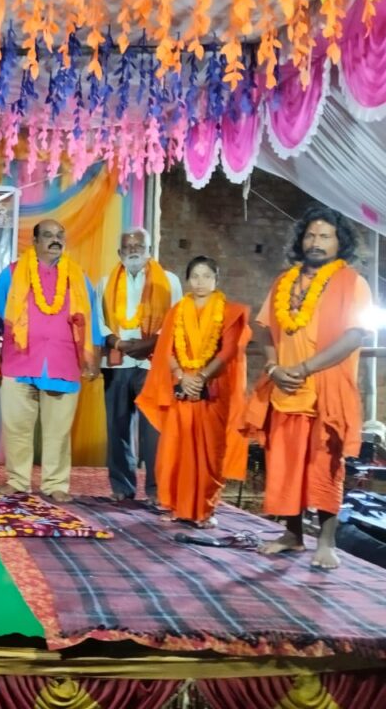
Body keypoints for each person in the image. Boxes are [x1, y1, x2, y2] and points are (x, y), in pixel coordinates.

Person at [244, 207, 372, 569]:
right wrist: (274, 367)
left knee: (325, 465)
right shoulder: (284, 282)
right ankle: (292, 535)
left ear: (340, 242)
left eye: (325, 236)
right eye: (310, 235)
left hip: (325, 389)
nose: (316, 242)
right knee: (286, 464)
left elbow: (354, 337)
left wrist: (303, 368)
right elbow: (263, 328)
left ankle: (326, 543)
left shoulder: (353, 282)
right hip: (285, 387)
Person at [136, 256, 252, 528]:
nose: (201, 282)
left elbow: (228, 351)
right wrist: (181, 376)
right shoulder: (177, 311)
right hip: (182, 388)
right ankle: (176, 505)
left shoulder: (229, 312)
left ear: (216, 280)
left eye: (207, 276)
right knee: (175, 448)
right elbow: (166, 349)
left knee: (209, 451)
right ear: (188, 279)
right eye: (195, 276)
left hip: (212, 390)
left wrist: (200, 377)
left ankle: (203, 510)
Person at [0, 219, 102, 502]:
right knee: (16, 427)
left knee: (58, 431)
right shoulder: (13, 273)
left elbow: (91, 319)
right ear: (35, 242)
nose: (56, 240)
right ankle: (17, 480)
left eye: (60, 235)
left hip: (62, 362)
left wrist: (94, 358)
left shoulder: (78, 277)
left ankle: (56, 483)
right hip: (20, 360)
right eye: (49, 235)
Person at [99, 228, 182, 502]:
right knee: (117, 427)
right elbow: (99, 322)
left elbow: (175, 321)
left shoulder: (168, 281)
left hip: (152, 363)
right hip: (117, 363)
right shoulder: (105, 282)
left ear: (149, 250)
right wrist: (119, 343)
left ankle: (156, 490)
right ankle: (122, 487)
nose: (133, 250)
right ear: (119, 252)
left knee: (153, 429)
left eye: (139, 245)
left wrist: (149, 343)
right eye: (128, 246)